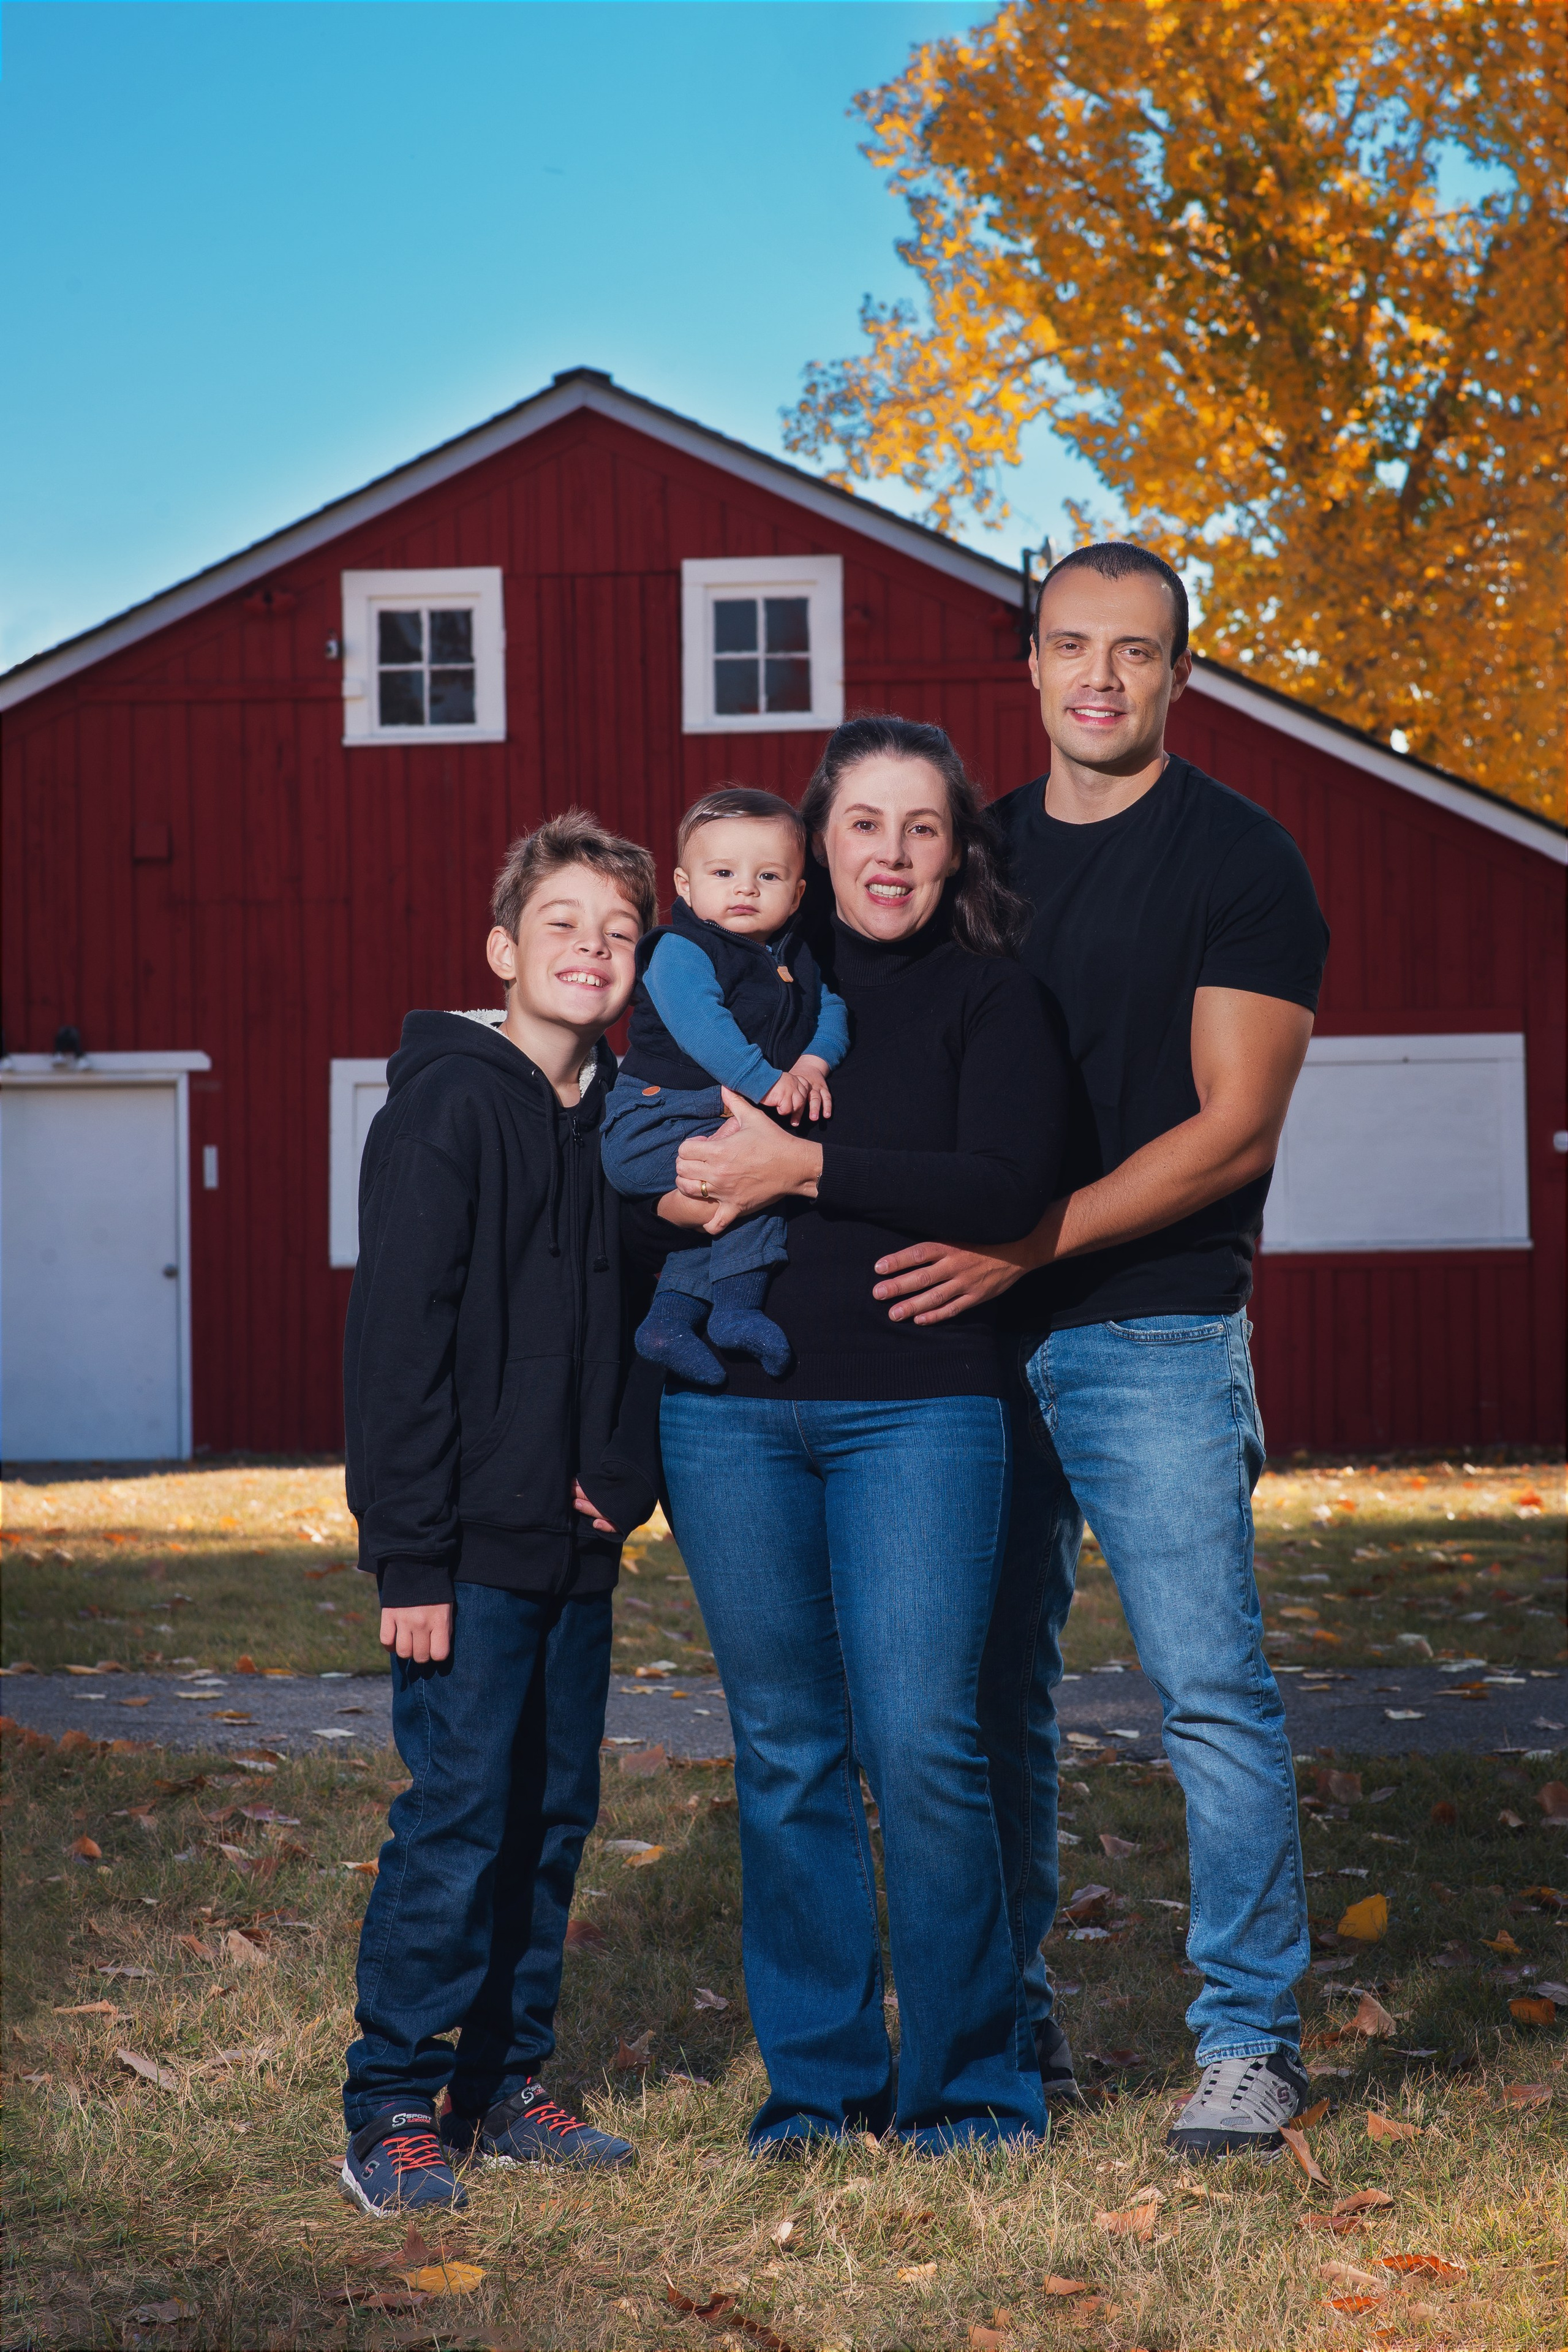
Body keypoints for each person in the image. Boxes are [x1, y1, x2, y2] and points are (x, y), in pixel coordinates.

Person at [869, 546, 1330, 2160]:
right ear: (1031, 661)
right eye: (1073, 646)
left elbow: (1233, 1127)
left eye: (1136, 652)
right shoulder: (970, 855)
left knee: (1207, 1692)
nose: (1101, 679)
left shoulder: (1241, 858)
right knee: (983, 1698)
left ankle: (1248, 2041)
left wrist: (1025, 1241)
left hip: (1152, 1327)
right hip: (969, 1342)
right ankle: (1009, 2031)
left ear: (1179, 674)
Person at [645, 715, 1069, 2154]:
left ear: (955, 853)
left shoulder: (987, 996)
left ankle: (971, 2086)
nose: (889, 854)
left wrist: (801, 1165)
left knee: (923, 1741)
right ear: (815, 840)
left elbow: (1003, 1181)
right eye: (863, 824)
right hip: (727, 1418)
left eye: (921, 827)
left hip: (921, 1411)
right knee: (784, 1751)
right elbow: (641, 1140)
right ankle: (818, 2088)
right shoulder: (732, 974)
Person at [338, 810, 661, 2212]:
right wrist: (409, 1554)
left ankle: (500, 2081)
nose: (591, 949)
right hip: (463, 1548)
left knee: (552, 1811)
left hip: (574, 1543)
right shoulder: (446, 1108)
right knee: (461, 1815)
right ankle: (391, 2102)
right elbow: (395, 1342)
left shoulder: (627, 1122)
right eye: (561, 925)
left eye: (618, 932)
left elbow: (655, 1320)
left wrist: (626, 1472)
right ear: (500, 951)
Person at [600, 786, 850, 1386]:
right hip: (651, 1122)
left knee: (734, 1196)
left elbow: (833, 1010)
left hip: (705, 1118)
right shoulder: (681, 950)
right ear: (685, 887)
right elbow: (702, 1029)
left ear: (798, 893)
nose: (746, 888)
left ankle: (669, 1323)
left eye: (768, 875)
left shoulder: (795, 957)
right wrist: (766, 1084)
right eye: (723, 873)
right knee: (757, 1175)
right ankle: (736, 1311)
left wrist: (812, 1065)